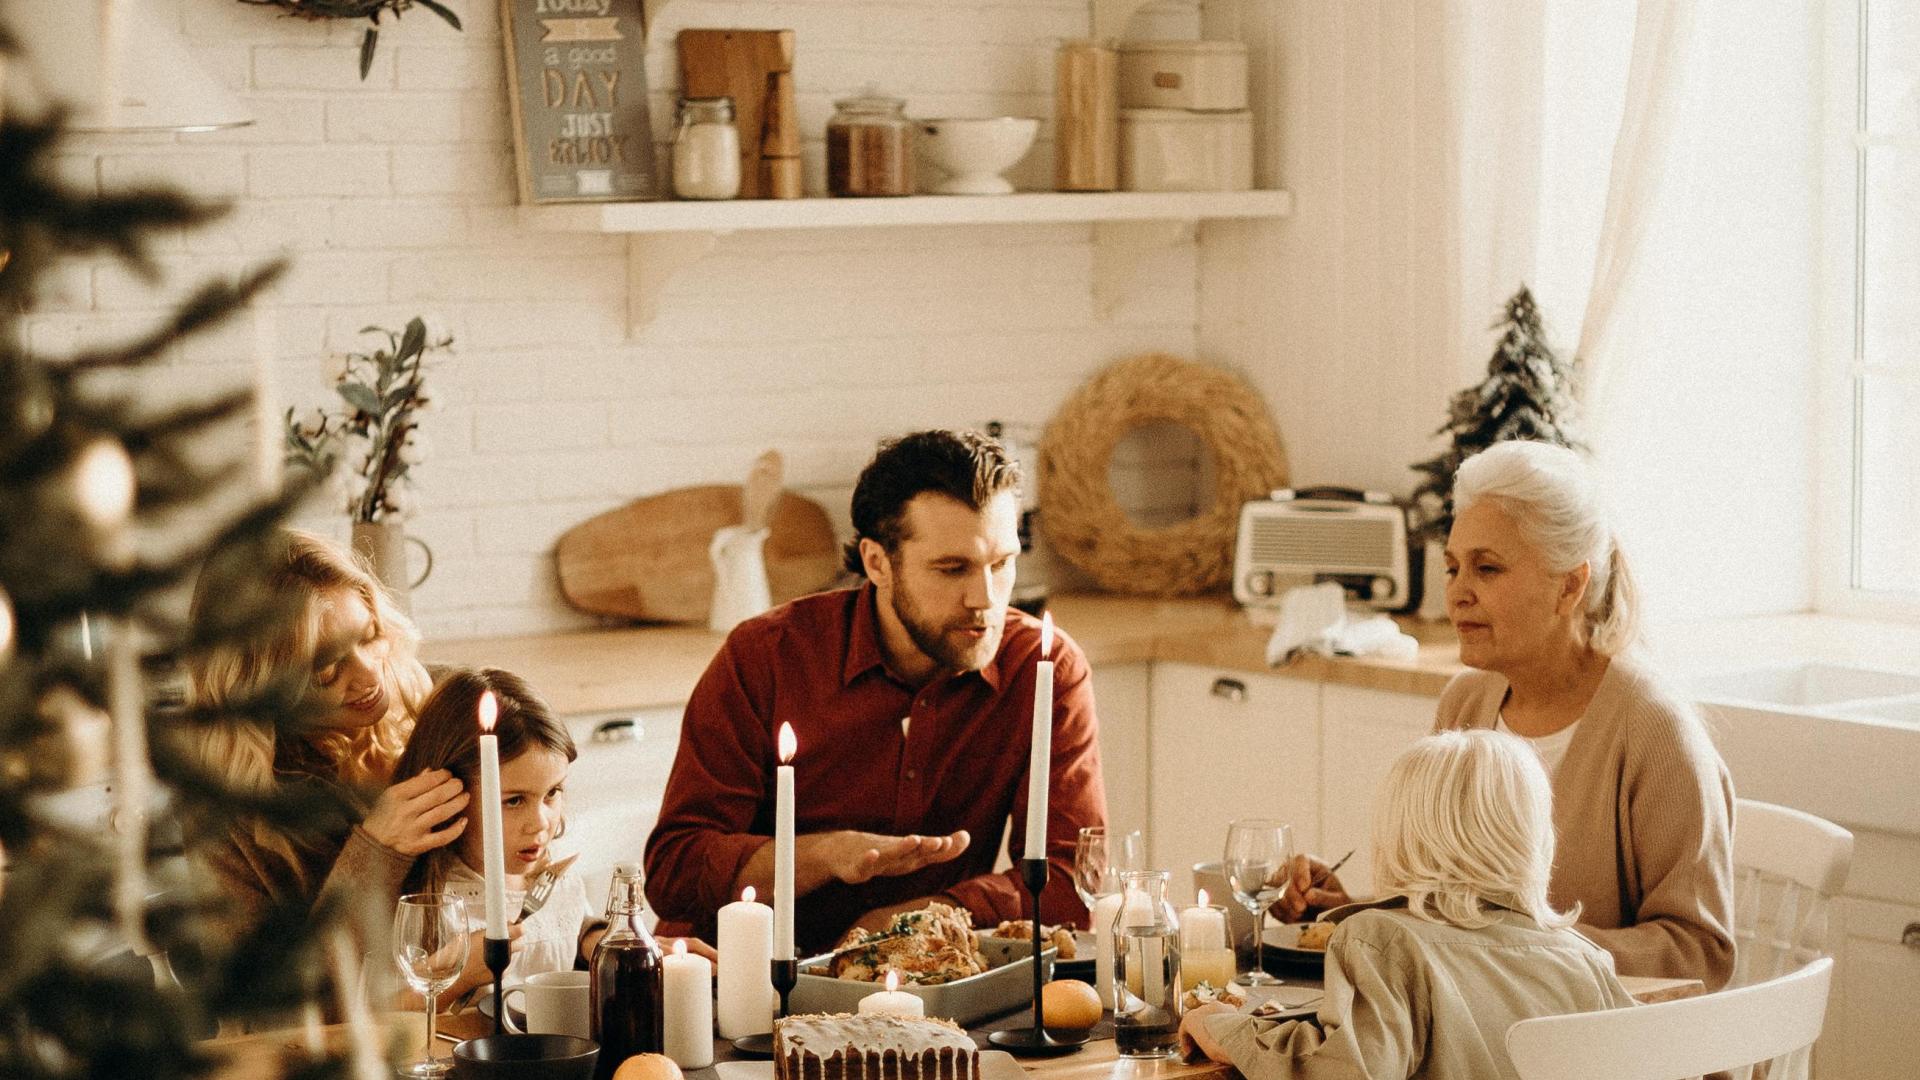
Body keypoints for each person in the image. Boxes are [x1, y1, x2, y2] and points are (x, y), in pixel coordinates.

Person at [1280, 441, 1736, 989]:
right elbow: (1446, 906)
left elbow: (1698, 955)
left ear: (1570, 585)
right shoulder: (1466, 703)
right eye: (1452, 568)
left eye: (1487, 569)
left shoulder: (1653, 729)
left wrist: (1521, 944)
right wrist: (1351, 908)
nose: (1457, 594)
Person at [644, 430, 1108, 953]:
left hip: (925, 984)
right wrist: (827, 857)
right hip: (734, 981)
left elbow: (1072, 886)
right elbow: (674, 873)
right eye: (952, 568)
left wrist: (917, 918)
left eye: (1001, 564)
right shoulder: (766, 655)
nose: (985, 599)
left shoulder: (1043, 668)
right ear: (877, 562)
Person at [1181, 730, 1635, 1080]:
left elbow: (1341, 1069)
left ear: (1398, 838)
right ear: (1535, 842)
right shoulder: (1583, 958)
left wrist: (1226, 1030)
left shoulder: (1384, 940)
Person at [185, 530, 465, 939]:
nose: (370, 674)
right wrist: (377, 850)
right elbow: (269, 994)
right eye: (326, 669)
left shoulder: (437, 705)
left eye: (369, 636)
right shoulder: (228, 820)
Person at [389, 668, 713, 1005]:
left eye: (552, 793)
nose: (540, 823)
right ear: (447, 797)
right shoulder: (424, 900)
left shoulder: (556, 880)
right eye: (513, 800)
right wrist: (457, 974)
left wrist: (606, 945)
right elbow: (374, 1027)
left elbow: (566, 936)